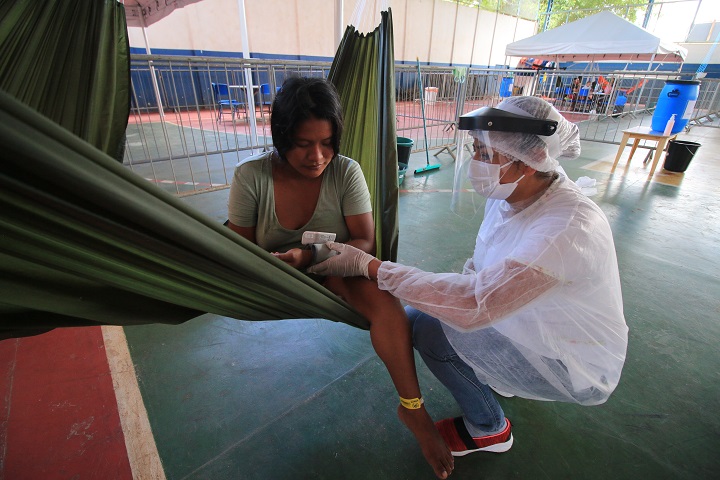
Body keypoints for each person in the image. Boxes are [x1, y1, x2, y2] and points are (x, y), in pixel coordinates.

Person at [308, 96, 629, 460]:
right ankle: (499, 375)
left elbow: (474, 305)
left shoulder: (565, 228)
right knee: (428, 318)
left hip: (569, 356)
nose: (477, 162)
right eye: (476, 148)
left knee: (429, 331)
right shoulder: (514, 193)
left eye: (486, 153)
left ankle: (489, 429)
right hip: (527, 319)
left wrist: (371, 267)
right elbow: (484, 269)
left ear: (528, 161)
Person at [227, 77, 455, 478]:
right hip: (272, 277)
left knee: (388, 305)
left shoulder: (345, 172)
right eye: (303, 144)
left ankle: (414, 411)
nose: (318, 156)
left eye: (327, 142)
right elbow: (237, 247)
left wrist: (309, 256)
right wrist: (281, 261)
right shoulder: (252, 178)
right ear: (281, 138)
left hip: (334, 268)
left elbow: (365, 240)